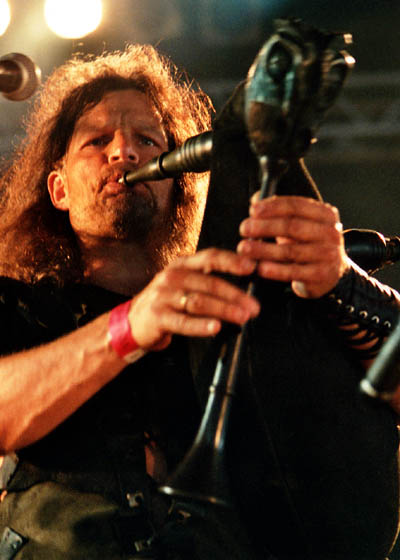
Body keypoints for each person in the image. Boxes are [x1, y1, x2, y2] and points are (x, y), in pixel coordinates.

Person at [0, 43, 398, 560]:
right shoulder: (20, 307)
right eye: (98, 141)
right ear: (59, 190)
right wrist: (128, 327)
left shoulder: (240, 306)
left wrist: (342, 284)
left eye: (147, 140)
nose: (124, 153)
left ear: (177, 183)